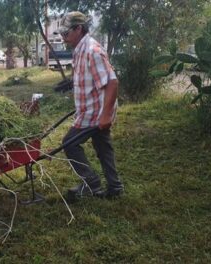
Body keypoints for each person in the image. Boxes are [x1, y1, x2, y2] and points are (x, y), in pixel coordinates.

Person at [56, 11, 124, 200]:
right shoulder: (80, 49)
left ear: (78, 29)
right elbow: (92, 77)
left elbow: (112, 83)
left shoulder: (92, 51)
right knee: (103, 147)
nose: (63, 37)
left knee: (69, 144)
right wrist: (71, 83)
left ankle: (91, 183)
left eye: (66, 32)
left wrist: (105, 116)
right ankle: (115, 187)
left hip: (95, 112)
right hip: (92, 108)